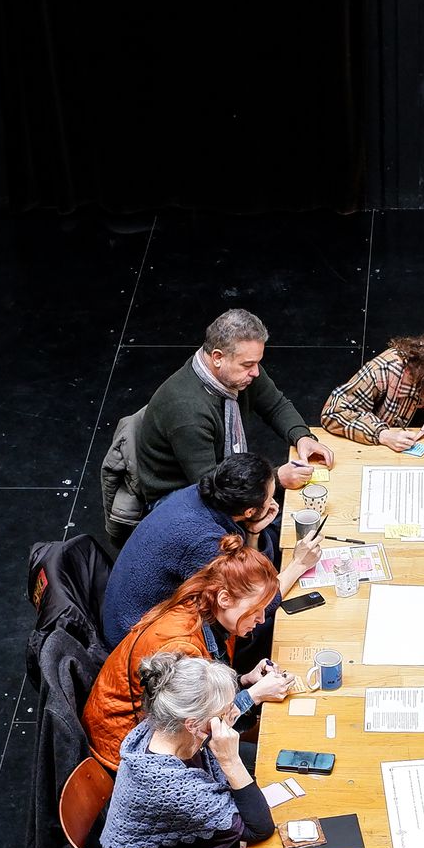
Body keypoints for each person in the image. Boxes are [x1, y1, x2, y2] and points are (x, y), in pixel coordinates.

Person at [83, 537, 296, 770]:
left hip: (166, 730)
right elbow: (198, 726)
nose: (262, 619)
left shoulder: (205, 609)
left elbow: (204, 695)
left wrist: (245, 680)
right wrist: (254, 695)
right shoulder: (182, 648)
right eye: (256, 610)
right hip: (130, 750)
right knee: (272, 761)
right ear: (225, 599)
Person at [99, 653, 272, 848]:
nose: (229, 718)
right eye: (222, 715)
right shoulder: (170, 784)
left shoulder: (163, 728)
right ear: (192, 724)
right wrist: (230, 759)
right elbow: (259, 828)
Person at [100, 452, 321, 647]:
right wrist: (299, 564)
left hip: (125, 612)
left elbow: (250, 573)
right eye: (270, 498)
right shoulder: (203, 541)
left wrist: (253, 533)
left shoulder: (203, 492)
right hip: (137, 640)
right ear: (249, 511)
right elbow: (257, 602)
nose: (273, 503)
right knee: (266, 625)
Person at [137, 308, 339, 505]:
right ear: (218, 357)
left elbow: (275, 405)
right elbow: (211, 489)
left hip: (216, 481)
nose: (256, 372)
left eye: (257, 363)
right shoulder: (188, 412)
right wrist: (275, 481)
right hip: (179, 498)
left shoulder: (239, 374)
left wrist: (302, 436)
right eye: (247, 365)